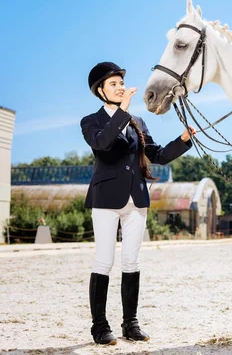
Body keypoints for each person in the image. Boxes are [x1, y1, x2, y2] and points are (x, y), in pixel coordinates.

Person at [81, 61, 196, 345]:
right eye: (113, 84)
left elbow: (156, 155)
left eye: (121, 83)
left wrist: (181, 141)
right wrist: (122, 112)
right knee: (104, 261)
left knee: (131, 260)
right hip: (106, 199)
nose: (120, 87)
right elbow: (103, 143)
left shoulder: (137, 123)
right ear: (100, 92)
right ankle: (99, 327)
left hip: (136, 198)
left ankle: (130, 324)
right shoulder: (90, 121)